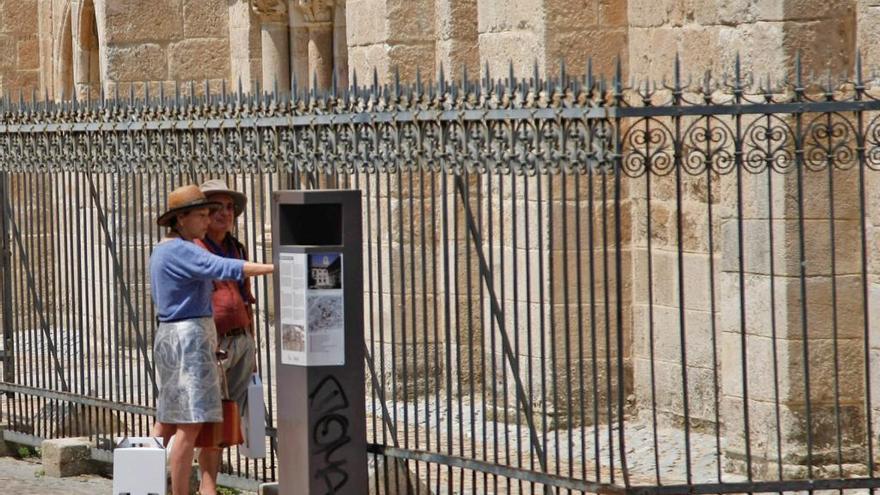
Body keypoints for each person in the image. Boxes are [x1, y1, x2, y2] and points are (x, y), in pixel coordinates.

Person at [149, 185, 274, 495]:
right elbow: (224, 268)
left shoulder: (166, 248)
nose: (208, 221)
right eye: (202, 214)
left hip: (176, 337)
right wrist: (278, 267)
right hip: (189, 339)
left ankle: (144, 484)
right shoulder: (182, 249)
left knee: (168, 421)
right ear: (181, 219)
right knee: (190, 427)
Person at [193, 179, 258, 495]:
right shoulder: (196, 249)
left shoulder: (237, 247)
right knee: (212, 418)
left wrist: (252, 340)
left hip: (241, 339)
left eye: (229, 207)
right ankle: (207, 486)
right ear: (203, 214)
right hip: (213, 344)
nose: (224, 214)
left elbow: (246, 297)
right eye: (215, 208)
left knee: (234, 416)